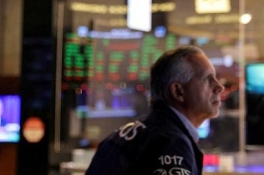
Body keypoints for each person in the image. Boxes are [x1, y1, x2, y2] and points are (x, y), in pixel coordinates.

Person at [85, 45, 224, 175]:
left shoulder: (122, 136)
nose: (219, 87)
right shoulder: (170, 143)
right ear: (178, 91)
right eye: (207, 79)